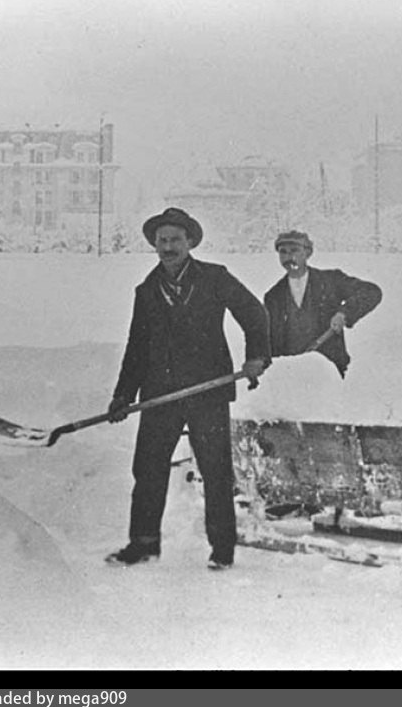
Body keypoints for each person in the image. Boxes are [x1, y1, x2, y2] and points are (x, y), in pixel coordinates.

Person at [105, 207, 271, 570]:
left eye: (175, 240)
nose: (168, 247)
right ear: (154, 245)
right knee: (147, 469)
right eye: (162, 241)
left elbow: (254, 314)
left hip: (207, 392)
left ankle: (223, 549)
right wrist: (123, 395)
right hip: (160, 393)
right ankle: (143, 543)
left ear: (190, 242)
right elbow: (137, 346)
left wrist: (257, 356)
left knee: (215, 471)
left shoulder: (214, 277)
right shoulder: (147, 290)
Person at [263, 230, 382, 378]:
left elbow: (371, 292)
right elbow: (269, 343)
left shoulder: (330, 280)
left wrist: (343, 314)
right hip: (293, 377)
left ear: (307, 252)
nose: (289, 257)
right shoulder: (273, 297)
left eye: (294, 250)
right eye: (283, 252)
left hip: (330, 373)